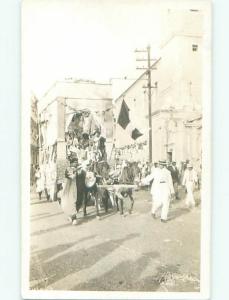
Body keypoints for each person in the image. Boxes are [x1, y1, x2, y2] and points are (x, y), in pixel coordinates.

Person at [61, 159, 78, 225]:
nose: (76, 163)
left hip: (74, 187)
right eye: (75, 162)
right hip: (68, 187)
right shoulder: (68, 169)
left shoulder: (76, 169)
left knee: (73, 201)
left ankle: (72, 217)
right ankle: (73, 217)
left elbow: (75, 178)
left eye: (77, 162)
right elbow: (69, 176)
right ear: (71, 163)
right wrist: (73, 174)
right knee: (69, 201)